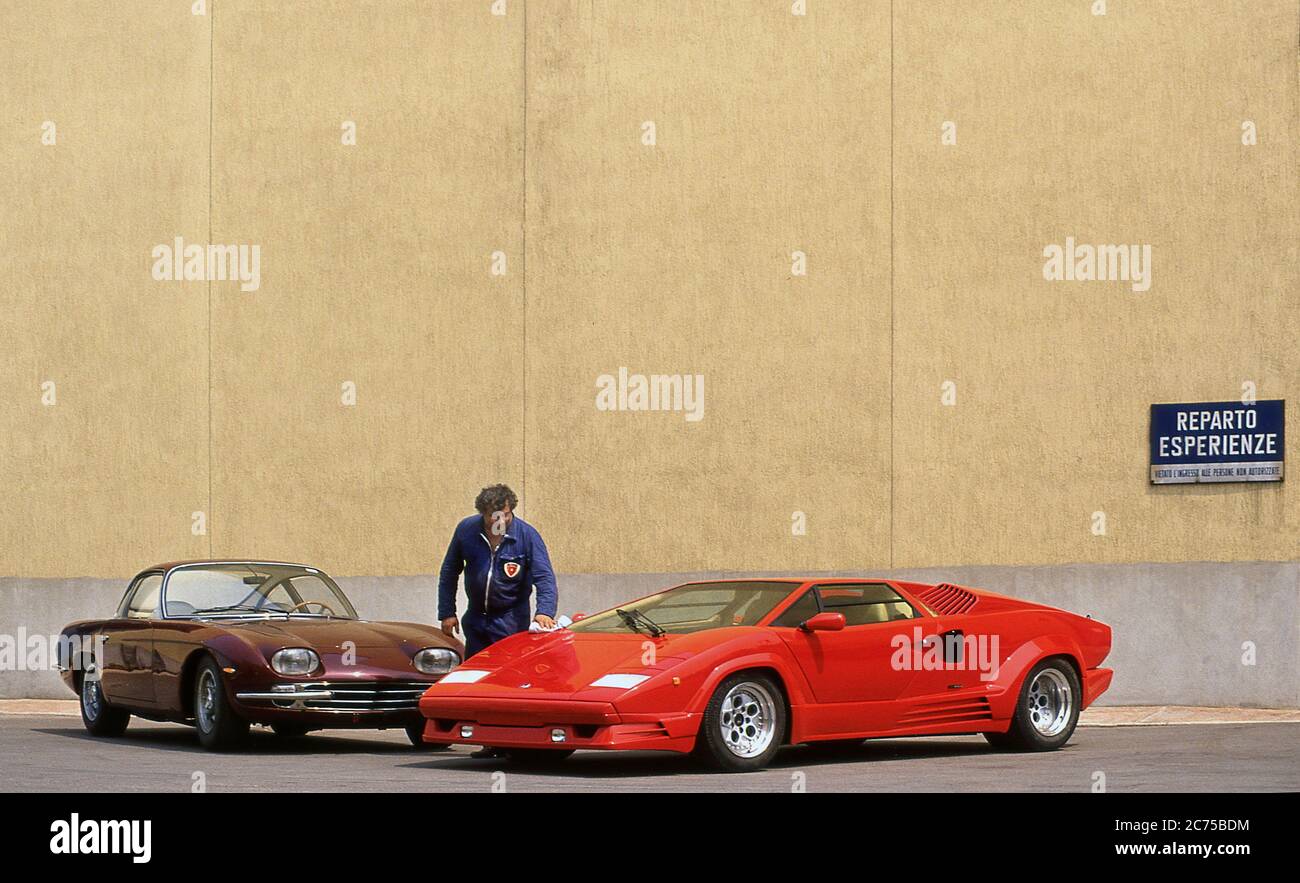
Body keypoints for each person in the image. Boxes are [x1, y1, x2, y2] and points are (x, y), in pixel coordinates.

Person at [438, 484, 558, 659]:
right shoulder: (466, 531)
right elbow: (449, 572)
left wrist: (544, 612)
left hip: (511, 620)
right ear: (483, 513)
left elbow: (544, 577)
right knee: (477, 672)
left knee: (509, 673)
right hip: (476, 618)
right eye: (493, 517)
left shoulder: (527, 536)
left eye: (505, 515)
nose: (500, 521)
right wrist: (447, 612)